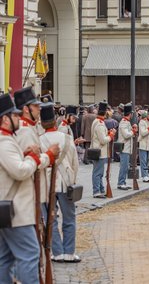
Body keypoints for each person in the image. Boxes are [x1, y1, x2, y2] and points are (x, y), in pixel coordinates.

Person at [0, 93, 59, 284]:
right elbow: (21, 170)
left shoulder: (11, 137)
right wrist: (43, 157)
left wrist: (29, 156)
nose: (18, 118)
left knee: (6, 258)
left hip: (12, 207)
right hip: (17, 208)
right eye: (14, 115)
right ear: (5, 119)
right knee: (30, 254)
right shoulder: (7, 140)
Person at [38, 101, 81, 263]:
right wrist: (73, 180)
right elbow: (75, 163)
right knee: (69, 218)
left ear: (42, 123)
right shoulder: (67, 138)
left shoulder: (39, 139)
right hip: (65, 183)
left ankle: (57, 252)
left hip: (47, 185)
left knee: (50, 219)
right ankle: (69, 252)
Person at [90, 101, 116, 198]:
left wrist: (108, 133)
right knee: (98, 173)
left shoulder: (97, 121)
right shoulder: (100, 124)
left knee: (99, 172)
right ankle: (96, 191)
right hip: (100, 151)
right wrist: (111, 135)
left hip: (98, 150)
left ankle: (100, 189)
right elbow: (103, 140)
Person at [117, 103, 137, 190]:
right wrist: (133, 131)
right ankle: (120, 183)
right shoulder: (124, 122)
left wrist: (132, 130)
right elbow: (126, 135)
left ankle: (123, 182)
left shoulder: (126, 122)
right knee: (123, 166)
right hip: (124, 148)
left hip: (126, 148)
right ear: (130, 114)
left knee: (125, 166)